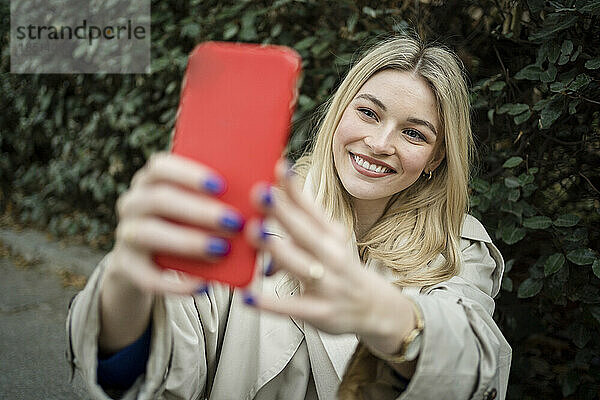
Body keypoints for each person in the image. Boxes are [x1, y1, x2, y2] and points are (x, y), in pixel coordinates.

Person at [66, 34, 512, 400]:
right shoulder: (250, 213)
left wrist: (381, 313)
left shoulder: (460, 248)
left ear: (436, 157)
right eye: (368, 113)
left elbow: (477, 364)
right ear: (339, 115)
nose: (379, 142)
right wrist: (127, 282)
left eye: (414, 133)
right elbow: (156, 364)